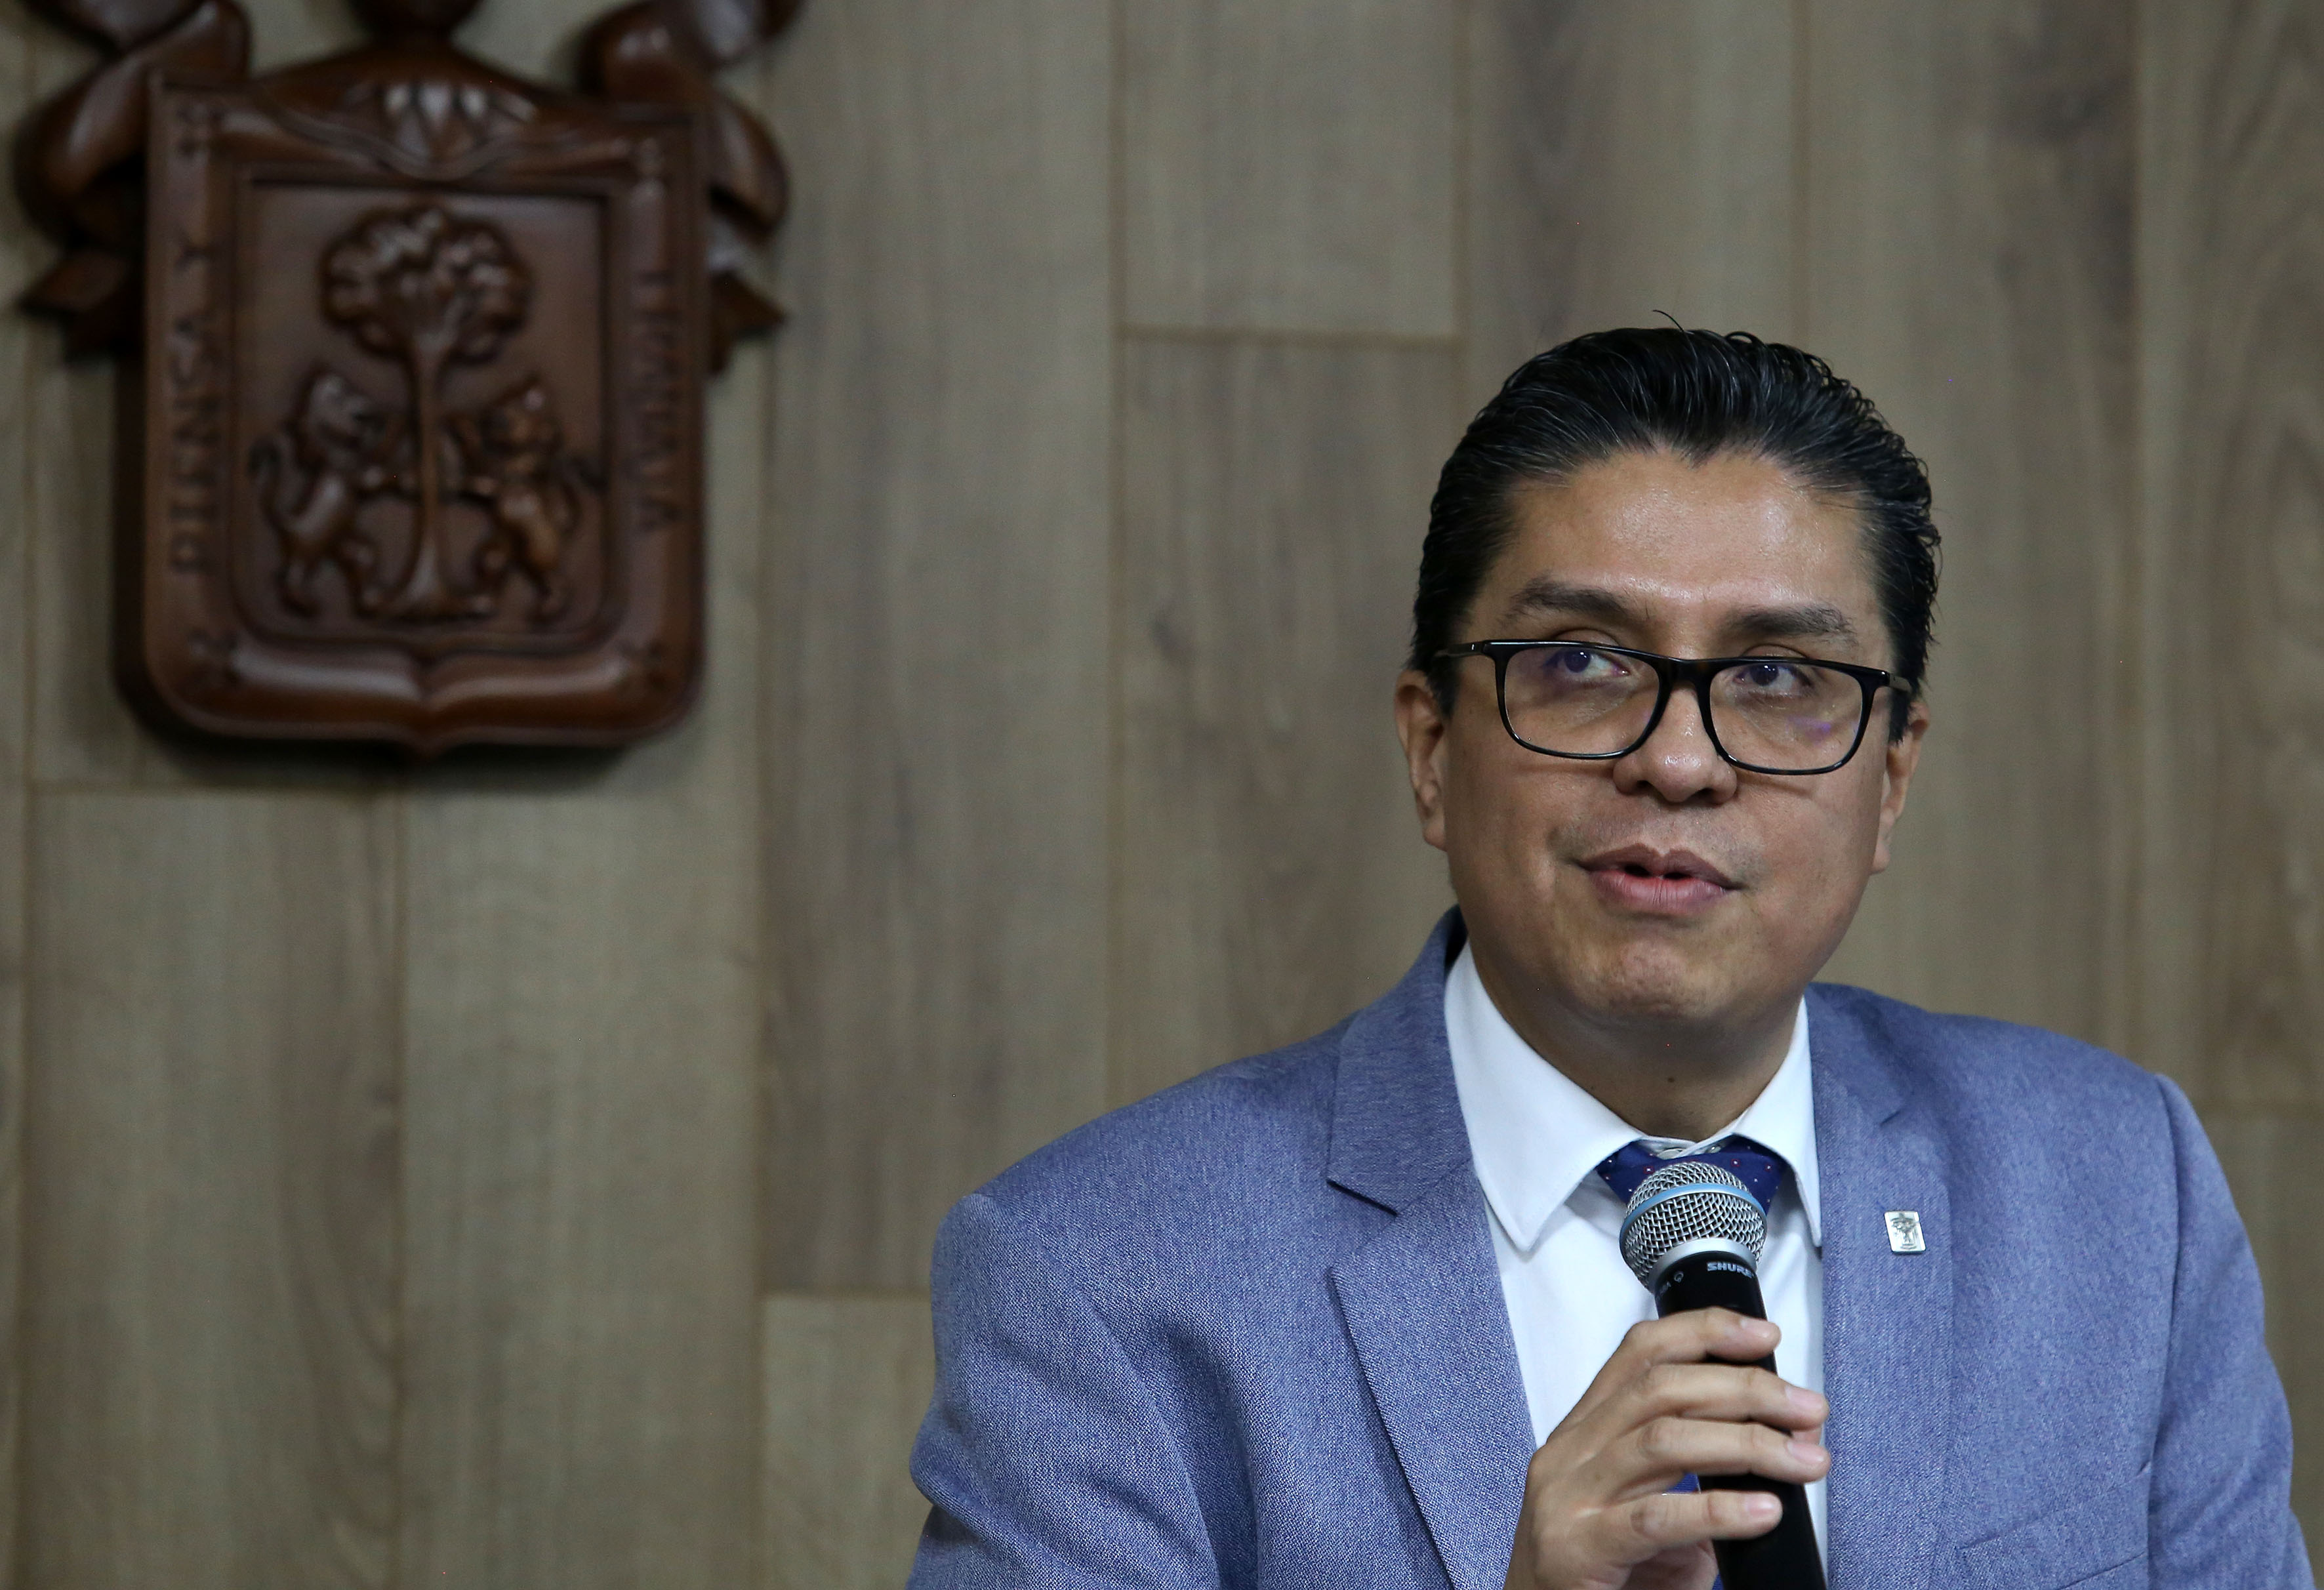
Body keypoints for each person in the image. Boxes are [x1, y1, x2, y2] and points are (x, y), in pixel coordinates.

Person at [905, 329, 2314, 1589]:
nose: (1679, 760)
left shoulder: (2117, 1191)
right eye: (1581, 662)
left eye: (1777, 676)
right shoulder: (1097, 1273)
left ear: (1889, 780)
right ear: (1430, 749)